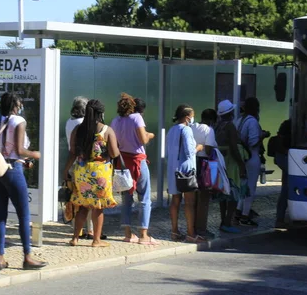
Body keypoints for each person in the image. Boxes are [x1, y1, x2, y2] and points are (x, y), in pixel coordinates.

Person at [0, 92, 47, 271]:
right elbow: (20, 150)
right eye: (19, 102)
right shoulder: (19, 121)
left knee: (0, 215)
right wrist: (35, 154)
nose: (21, 104)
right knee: (24, 214)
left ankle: (0, 258)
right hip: (13, 169)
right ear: (15, 104)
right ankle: (27, 256)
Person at [64, 99, 118, 247]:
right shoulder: (106, 130)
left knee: (82, 205)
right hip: (100, 172)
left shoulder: (78, 130)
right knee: (98, 206)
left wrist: (65, 170)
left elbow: (72, 153)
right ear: (101, 113)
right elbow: (114, 153)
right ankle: (96, 240)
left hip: (81, 171)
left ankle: (75, 238)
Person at [110, 94, 157, 245]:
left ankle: (128, 234)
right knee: (144, 197)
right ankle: (144, 235)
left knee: (126, 199)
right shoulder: (136, 117)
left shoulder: (115, 121)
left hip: (122, 162)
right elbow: (143, 139)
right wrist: (150, 135)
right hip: (137, 160)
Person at [166, 104, 205, 243]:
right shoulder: (187, 130)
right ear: (187, 117)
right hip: (186, 170)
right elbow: (189, 152)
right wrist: (199, 147)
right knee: (189, 202)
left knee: (175, 200)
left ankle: (174, 231)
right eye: (192, 116)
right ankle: (190, 233)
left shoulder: (171, 130)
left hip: (172, 169)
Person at [65, 96, 96, 239]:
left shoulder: (68, 122)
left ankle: (77, 230)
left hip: (72, 163)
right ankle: (90, 230)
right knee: (88, 198)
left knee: (75, 198)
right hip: (83, 164)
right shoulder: (84, 123)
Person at [214, 100, 247, 233]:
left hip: (220, 161)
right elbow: (234, 147)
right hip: (231, 162)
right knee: (234, 192)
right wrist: (241, 164)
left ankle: (223, 220)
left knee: (223, 193)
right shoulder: (230, 127)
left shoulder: (217, 126)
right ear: (231, 113)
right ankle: (228, 221)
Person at [236, 97, 266, 227]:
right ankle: (245, 215)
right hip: (252, 157)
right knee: (250, 188)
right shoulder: (252, 122)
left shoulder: (239, 120)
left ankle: (238, 211)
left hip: (241, 157)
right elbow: (253, 142)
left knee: (242, 185)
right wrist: (264, 136)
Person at [190, 109, 218, 239]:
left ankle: (192, 227)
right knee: (204, 198)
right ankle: (201, 228)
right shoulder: (209, 130)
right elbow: (208, 150)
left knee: (193, 198)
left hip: (192, 162)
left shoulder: (192, 127)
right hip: (204, 164)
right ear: (212, 120)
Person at [274, 119, 292, 229]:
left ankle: (280, 218)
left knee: (285, 188)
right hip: (285, 158)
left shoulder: (287, 124)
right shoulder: (291, 125)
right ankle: (280, 218)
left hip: (283, 158)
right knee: (286, 189)